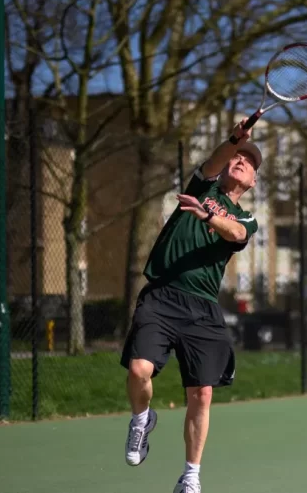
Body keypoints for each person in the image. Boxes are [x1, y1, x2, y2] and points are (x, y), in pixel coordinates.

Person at [120, 118, 261, 493]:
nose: (241, 161)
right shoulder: (204, 185)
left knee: (202, 394)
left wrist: (207, 215)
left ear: (253, 182)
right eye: (238, 157)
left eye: (249, 162)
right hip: (162, 296)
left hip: (202, 308)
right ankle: (141, 419)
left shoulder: (246, 218)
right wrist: (234, 139)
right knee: (138, 370)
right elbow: (218, 157)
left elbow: (237, 233)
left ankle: (191, 476)